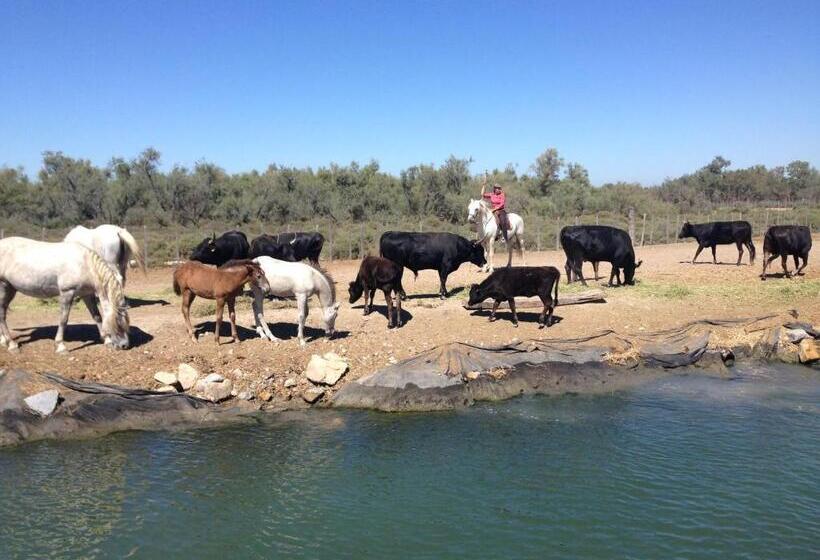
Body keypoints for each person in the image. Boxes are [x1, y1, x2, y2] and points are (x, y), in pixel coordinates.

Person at [481, 178, 510, 243]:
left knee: (502, 221)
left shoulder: (502, 195)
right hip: (493, 210)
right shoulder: (491, 194)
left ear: (500, 189)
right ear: (494, 189)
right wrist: (484, 185)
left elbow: (502, 204)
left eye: (498, 188)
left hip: (500, 210)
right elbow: (482, 194)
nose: (497, 189)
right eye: (496, 188)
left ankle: (505, 237)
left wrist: (494, 209)